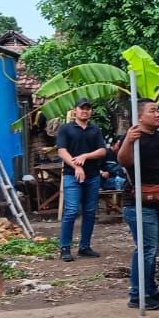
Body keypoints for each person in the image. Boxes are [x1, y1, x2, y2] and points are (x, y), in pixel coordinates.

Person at [117, 99, 159, 310]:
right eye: (152, 111)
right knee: (146, 248)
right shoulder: (135, 138)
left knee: (152, 248)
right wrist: (128, 141)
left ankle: (150, 289)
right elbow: (123, 161)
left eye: (158, 110)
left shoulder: (158, 138)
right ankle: (137, 295)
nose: (158, 114)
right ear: (140, 116)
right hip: (138, 202)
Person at [55, 98, 107, 262]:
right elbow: (61, 151)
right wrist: (77, 166)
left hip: (92, 176)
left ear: (91, 111)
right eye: (82, 108)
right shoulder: (66, 129)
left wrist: (86, 156)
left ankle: (85, 246)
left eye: (88, 108)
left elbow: (102, 151)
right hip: (72, 175)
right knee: (71, 211)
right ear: (75, 110)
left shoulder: (95, 130)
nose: (85, 111)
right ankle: (65, 247)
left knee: (90, 212)